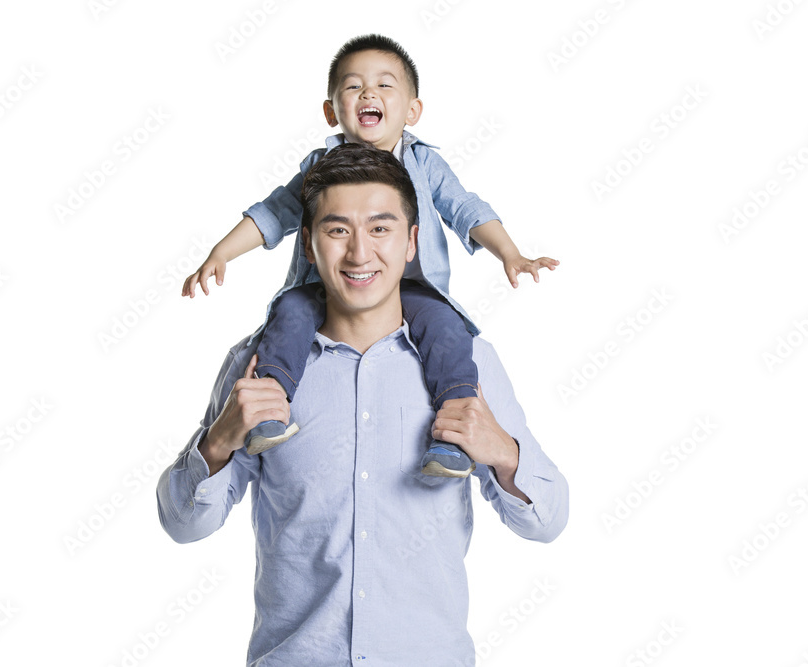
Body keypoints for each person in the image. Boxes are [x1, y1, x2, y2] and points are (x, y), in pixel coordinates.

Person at [158, 144, 569, 665]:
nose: (359, 254)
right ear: (309, 245)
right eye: (337, 230)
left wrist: (505, 454)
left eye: (380, 229)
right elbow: (183, 525)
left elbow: (548, 521)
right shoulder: (255, 367)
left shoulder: (469, 365)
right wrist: (217, 443)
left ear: (412, 242)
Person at [180, 34, 559, 477]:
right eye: (353, 86)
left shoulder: (424, 163)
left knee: (447, 331)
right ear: (331, 111)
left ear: (412, 111)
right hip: (324, 287)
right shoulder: (320, 168)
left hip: (414, 288)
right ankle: (269, 406)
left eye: (384, 85)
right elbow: (274, 212)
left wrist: (510, 253)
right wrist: (221, 252)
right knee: (289, 313)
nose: (368, 93)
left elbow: (464, 208)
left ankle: (454, 437)